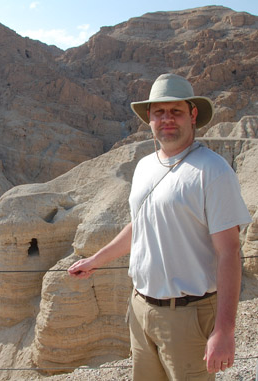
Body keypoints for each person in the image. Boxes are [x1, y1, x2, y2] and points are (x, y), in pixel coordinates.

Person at [68, 73, 252, 380]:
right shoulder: (145, 166)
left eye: (176, 111)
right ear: (149, 119)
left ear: (193, 115)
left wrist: (224, 331)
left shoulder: (212, 171)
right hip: (141, 309)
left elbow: (230, 252)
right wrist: (96, 260)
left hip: (188, 316)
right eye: (159, 112)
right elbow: (140, 226)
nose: (167, 119)